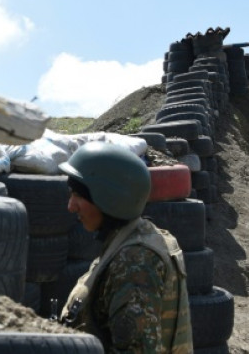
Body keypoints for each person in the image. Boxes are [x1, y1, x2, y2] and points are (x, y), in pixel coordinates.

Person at [58, 142, 192, 353]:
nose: (70, 206)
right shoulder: (129, 240)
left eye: (79, 196)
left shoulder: (135, 261)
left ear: (108, 198)